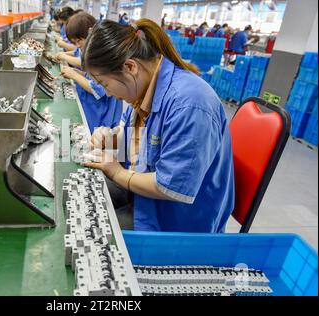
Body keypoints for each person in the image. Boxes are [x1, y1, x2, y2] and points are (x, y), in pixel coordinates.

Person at [81, 19, 235, 232]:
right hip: (145, 191)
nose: (107, 93)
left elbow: (171, 186)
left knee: (92, 230)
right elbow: (134, 135)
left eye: (105, 84)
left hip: (173, 218)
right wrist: (111, 138)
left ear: (130, 67)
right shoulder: (144, 90)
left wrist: (116, 172)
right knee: (85, 193)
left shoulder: (189, 104)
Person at [59, 12, 123, 134]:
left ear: (90, 32)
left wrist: (74, 75)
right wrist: (77, 72)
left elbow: (97, 89)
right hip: (93, 108)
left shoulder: (102, 55)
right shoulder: (92, 52)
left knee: (99, 143)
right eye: (74, 43)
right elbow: (91, 77)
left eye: (79, 41)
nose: (77, 46)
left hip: (101, 115)